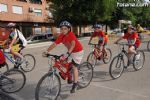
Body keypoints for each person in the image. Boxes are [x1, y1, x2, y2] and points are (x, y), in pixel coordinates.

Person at [43, 21, 84, 93]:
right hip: (70, 52)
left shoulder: (71, 35)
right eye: (61, 29)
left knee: (74, 67)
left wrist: (68, 53)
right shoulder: (61, 36)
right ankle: (69, 76)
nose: (63, 30)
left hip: (78, 52)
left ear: (68, 29)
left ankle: (75, 83)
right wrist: (47, 51)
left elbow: (73, 45)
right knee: (62, 62)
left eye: (65, 29)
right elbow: (55, 44)